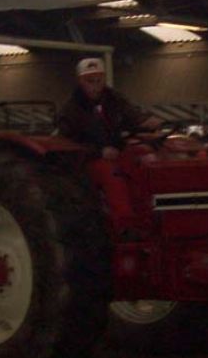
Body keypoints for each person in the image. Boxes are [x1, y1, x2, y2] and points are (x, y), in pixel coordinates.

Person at [57, 57, 162, 235]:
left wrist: (145, 121)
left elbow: (131, 114)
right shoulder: (71, 110)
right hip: (88, 158)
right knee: (112, 174)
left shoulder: (114, 99)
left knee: (144, 161)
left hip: (116, 151)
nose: (95, 86)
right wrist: (100, 151)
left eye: (98, 80)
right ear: (81, 81)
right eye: (90, 81)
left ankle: (151, 215)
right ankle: (125, 225)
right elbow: (69, 142)